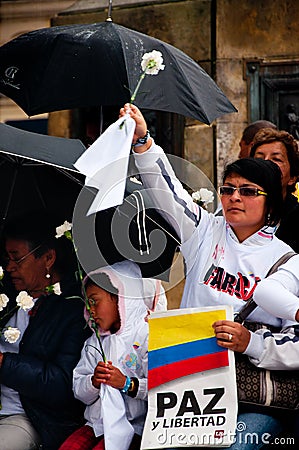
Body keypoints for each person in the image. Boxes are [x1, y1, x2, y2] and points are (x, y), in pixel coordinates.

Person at [119, 103, 299, 448]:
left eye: (248, 191)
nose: (234, 197)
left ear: (272, 203)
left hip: (251, 400)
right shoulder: (204, 232)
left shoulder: (287, 261)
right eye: (228, 189)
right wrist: (143, 141)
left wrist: (252, 343)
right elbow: (167, 192)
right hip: (187, 391)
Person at [0, 211, 91, 450]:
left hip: (32, 418)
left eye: (16, 258)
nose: (9, 267)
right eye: (6, 258)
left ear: (48, 258)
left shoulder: (72, 310)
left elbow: (63, 384)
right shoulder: (6, 299)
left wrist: (3, 364)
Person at [59, 261, 148, 450]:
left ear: (120, 298)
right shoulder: (93, 343)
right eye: (87, 303)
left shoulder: (146, 335)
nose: (90, 311)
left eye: (95, 301)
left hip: (135, 427)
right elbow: (79, 391)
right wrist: (93, 382)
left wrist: (126, 383)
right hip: (96, 425)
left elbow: (160, 387)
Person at [250, 128, 299, 252]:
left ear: (292, 177)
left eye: (276, 159)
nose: (266, 164)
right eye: (259, 159)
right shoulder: (235, 211)